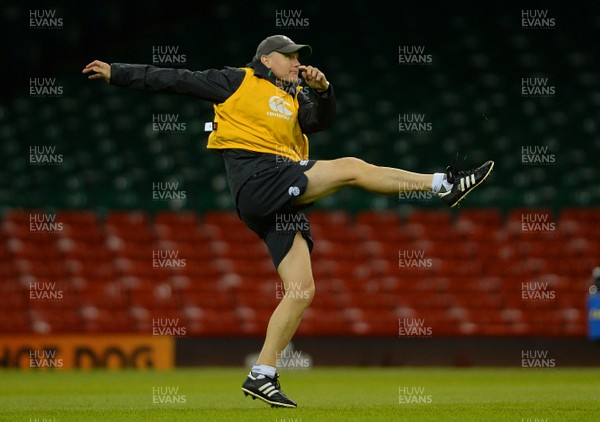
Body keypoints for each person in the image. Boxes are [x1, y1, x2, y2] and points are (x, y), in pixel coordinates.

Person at [83, 34, 493, 408]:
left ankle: (261, 374)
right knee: (350, 167)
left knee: (301, 290)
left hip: (278, 199)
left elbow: (321, 121)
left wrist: (324, 91)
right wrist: (118, 72)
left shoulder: (295, 96)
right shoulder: (236, 80)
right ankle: (443, 184)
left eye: (300, 58)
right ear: (267, 59)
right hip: (258, 178)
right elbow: (175, 79)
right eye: (290, 56)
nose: (297, 62)